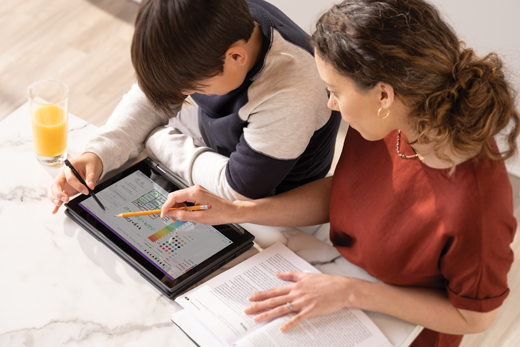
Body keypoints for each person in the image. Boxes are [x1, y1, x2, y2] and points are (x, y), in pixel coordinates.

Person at [156, 0, 519, 346]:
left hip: (401, 329)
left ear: (382, 96)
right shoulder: (394, 120)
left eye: (334, 91)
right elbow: (348, 192)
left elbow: (476, 317)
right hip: (342, 279)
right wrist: (236, 211)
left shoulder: (477, 204)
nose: (330, 104)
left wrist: (351, 292)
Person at [47, 0, 341, 212]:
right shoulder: (217, 24)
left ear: (235, 58)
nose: (187, 94)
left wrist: (155, 139)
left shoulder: (292, 91)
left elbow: (238, 190)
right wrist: (99, 151)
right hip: (218, 146)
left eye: (197, 88)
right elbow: (157, 95)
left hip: (272, 196)